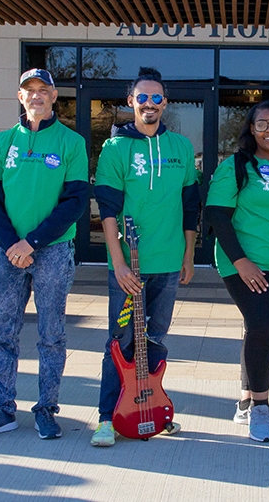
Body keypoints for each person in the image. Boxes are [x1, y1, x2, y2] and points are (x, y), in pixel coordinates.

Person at [0, 69, 89, 440]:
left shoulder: (72, 142)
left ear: (55, 96)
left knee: (51, 334)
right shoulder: (5, 141)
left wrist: (33, 243)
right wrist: (11, 245)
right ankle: (2, 409)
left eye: (43, 90)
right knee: (1, 334)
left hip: (51, 251)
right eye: (29, 90)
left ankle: (45, 409)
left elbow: (74, 201)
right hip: (10, 254)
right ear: (20, 97)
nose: (35, 96)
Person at [90, 67, 199, 448]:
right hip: (129, 268)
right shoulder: (116, 148)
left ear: (165, 102)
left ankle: (149, 410)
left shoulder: (182, 148)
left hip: (168, 266)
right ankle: (106, 417)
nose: (149, 104)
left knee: (155, 340)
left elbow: (190, 207)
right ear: (131, 102)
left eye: (156, 98)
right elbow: (107, 209)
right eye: (142, 97)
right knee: (119, 342)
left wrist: (188, 255)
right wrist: (117, 263)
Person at [204, 100, 269, 443]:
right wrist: (241, 262)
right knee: (264, 328)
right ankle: (261, 410)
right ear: (251, 128)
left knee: (260, 329)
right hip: (247, 264)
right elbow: (217, 215)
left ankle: (246, 400)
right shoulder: (235, 166)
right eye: (261, 124)